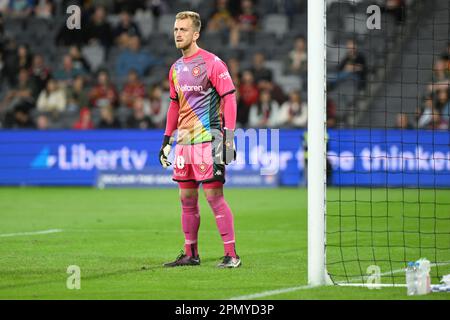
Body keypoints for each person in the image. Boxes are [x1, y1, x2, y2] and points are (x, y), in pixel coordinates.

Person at [159, 11, 240, 268]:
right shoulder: (175, 69)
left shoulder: (213, 63)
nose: (178, 34)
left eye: (183, 29)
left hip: (210, 139)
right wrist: (166, 140)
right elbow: (174, 106)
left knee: (214, 196)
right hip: (184, 143)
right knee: (186, 199)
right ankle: (190, 254)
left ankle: (232, 255)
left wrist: (228, 137)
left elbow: (229, 98)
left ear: (196, 34)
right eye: (175, 30)